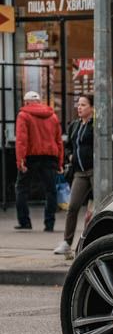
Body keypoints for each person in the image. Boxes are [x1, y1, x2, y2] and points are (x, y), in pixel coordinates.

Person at [13, 90, 64, 232]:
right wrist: (60, 162)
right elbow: (58, 141)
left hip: (31, 157)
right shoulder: (52, 116)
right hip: (50, 157)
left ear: (26, 102)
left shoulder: (23, 115)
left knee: (22, 189)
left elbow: (22, 140)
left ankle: (24, 221)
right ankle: (49, 224)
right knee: (51, 191)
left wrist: (20, 161)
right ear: (39, 102)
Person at [54, 94, 95, 256]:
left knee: (96, 210)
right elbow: (69, 145)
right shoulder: (75, 126)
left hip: (95, 171)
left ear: (91, 108)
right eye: (78, 105)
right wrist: (70, 156)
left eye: (83, 105)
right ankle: (67, 242)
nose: (79, 107)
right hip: (79, 172)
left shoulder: (95, 125)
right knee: (72, 207)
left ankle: (89, 244)